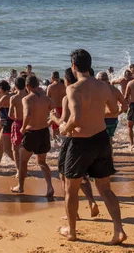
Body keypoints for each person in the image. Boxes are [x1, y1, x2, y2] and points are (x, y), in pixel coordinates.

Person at [58, 49, 125, 245]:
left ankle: (71, 231)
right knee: (105, 189)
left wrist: (64, 128)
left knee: (71, 189)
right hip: (102, 139)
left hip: (81, 143)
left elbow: (76, 120)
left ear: (73, 67)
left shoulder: (73, 89)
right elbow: (113, 110)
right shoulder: (104, 87)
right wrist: (95, 112)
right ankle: (118, 230)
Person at [53, 68, 100, 220]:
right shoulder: (87, 93)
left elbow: (64, 121)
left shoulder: (68, 96)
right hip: (89, 138)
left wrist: (53, 118)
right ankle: (92, 201)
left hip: (71, 138)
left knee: (65, 176)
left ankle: (74, 213)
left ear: (67, 81)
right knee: (82, 176)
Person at [11, 76, 54, 197]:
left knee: (22, 160)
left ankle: (20, 186)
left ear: (27, 86)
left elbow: (28, 114)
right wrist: (49, 122)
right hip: (44, 131)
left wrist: (23, 128)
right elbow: (54, 111)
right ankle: (50, 186)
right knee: (42, 162)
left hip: (32, 132)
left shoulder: (27, 99)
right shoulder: (45, 98)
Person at [97, 71, 128, 142]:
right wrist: (117, 113)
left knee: (100, 141)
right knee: (110, 139)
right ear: (108, 79)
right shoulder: (115, 90)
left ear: (98, 80)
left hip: (102, 119)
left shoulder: (97, 90)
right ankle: (110, 152)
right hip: (113, 119)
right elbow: (125, 105)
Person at [8, 77, 28, 177]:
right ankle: (24, 168)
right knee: (25, 148)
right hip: (27, 123)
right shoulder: (29, 96)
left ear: (15, 86)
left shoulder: (13, 98)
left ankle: (18, 170)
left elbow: (9, 114)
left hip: (17, 123)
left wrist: (15, 117)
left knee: (15, 148)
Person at [47, 71, 67, 142]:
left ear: (52, 78)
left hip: (55, 109)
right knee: (61, 125)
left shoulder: (50, 87)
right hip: (63, 108)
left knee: (54, 128)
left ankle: (54, 141)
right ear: (59, 77)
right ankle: (60, 141)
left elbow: (48, 99)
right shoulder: (64, 86)